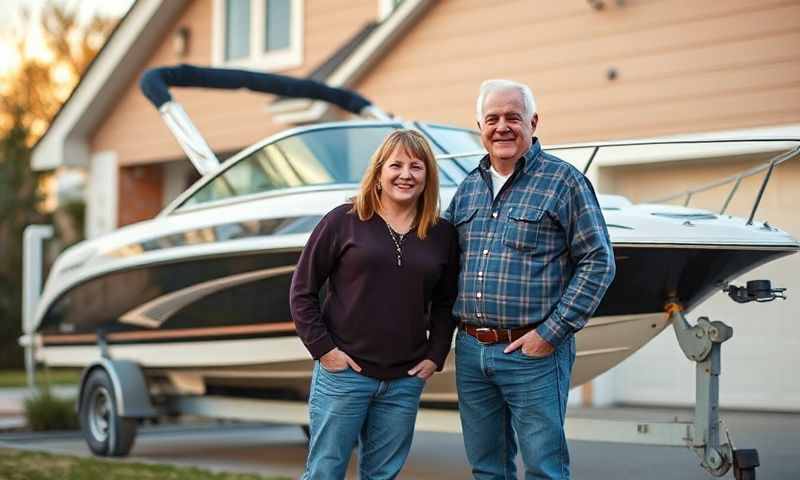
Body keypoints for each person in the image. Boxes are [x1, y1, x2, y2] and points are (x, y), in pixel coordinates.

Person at [443, 79, 616, 480]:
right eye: (492, 119)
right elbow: (444, 262)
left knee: (544, 468)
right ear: (480, 127)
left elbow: (598, 262)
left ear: (533, 122)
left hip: (533, 352)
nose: (502, 127)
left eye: (512, 117)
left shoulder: (564, 181)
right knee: (486, 467)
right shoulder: (467, 188)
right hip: (471, 350)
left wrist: (550, 334)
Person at [290, 129, 459, 480]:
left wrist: (435, 355)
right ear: (379, 172)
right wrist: (324, 351)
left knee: (382, 476)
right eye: (395, 165)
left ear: (428, 175)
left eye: (416, 166)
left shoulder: (441, 233)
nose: (406, 174)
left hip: (404, 379)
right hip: (344, 373)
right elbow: (302, 290)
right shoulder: (344, 220)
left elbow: (445, 302)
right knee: (325, 471)